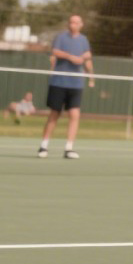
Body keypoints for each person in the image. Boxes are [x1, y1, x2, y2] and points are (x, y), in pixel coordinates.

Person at [37, 14, 95, 160]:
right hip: (59, 82)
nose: (73, 24)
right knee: (54, 114)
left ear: (81, 24)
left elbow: (87, 57)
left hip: (76, 84)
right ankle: (44, 145)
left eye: (76, 22)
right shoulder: (61, 38)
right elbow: (55, 52)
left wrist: (91, 76)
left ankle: (69, 149)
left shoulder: (84, 40)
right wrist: (71, 57)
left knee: (75, 115)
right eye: (71, 22)